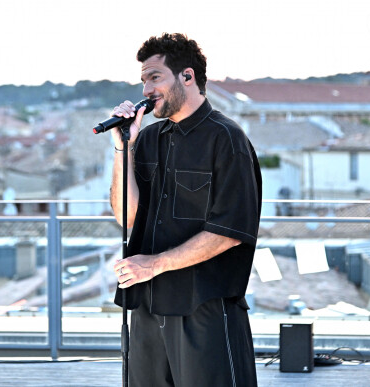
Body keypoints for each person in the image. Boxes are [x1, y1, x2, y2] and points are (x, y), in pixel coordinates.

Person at [109, 33, 262, 387]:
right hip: (147, 304)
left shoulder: (227, 139)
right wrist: (123, 149)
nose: (145, 89)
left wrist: (155, 264)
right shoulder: (146, 139)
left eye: (155, 77)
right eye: (143, 79)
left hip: (203, 307)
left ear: (187, 77)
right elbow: (125, 218)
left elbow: (230, 232)